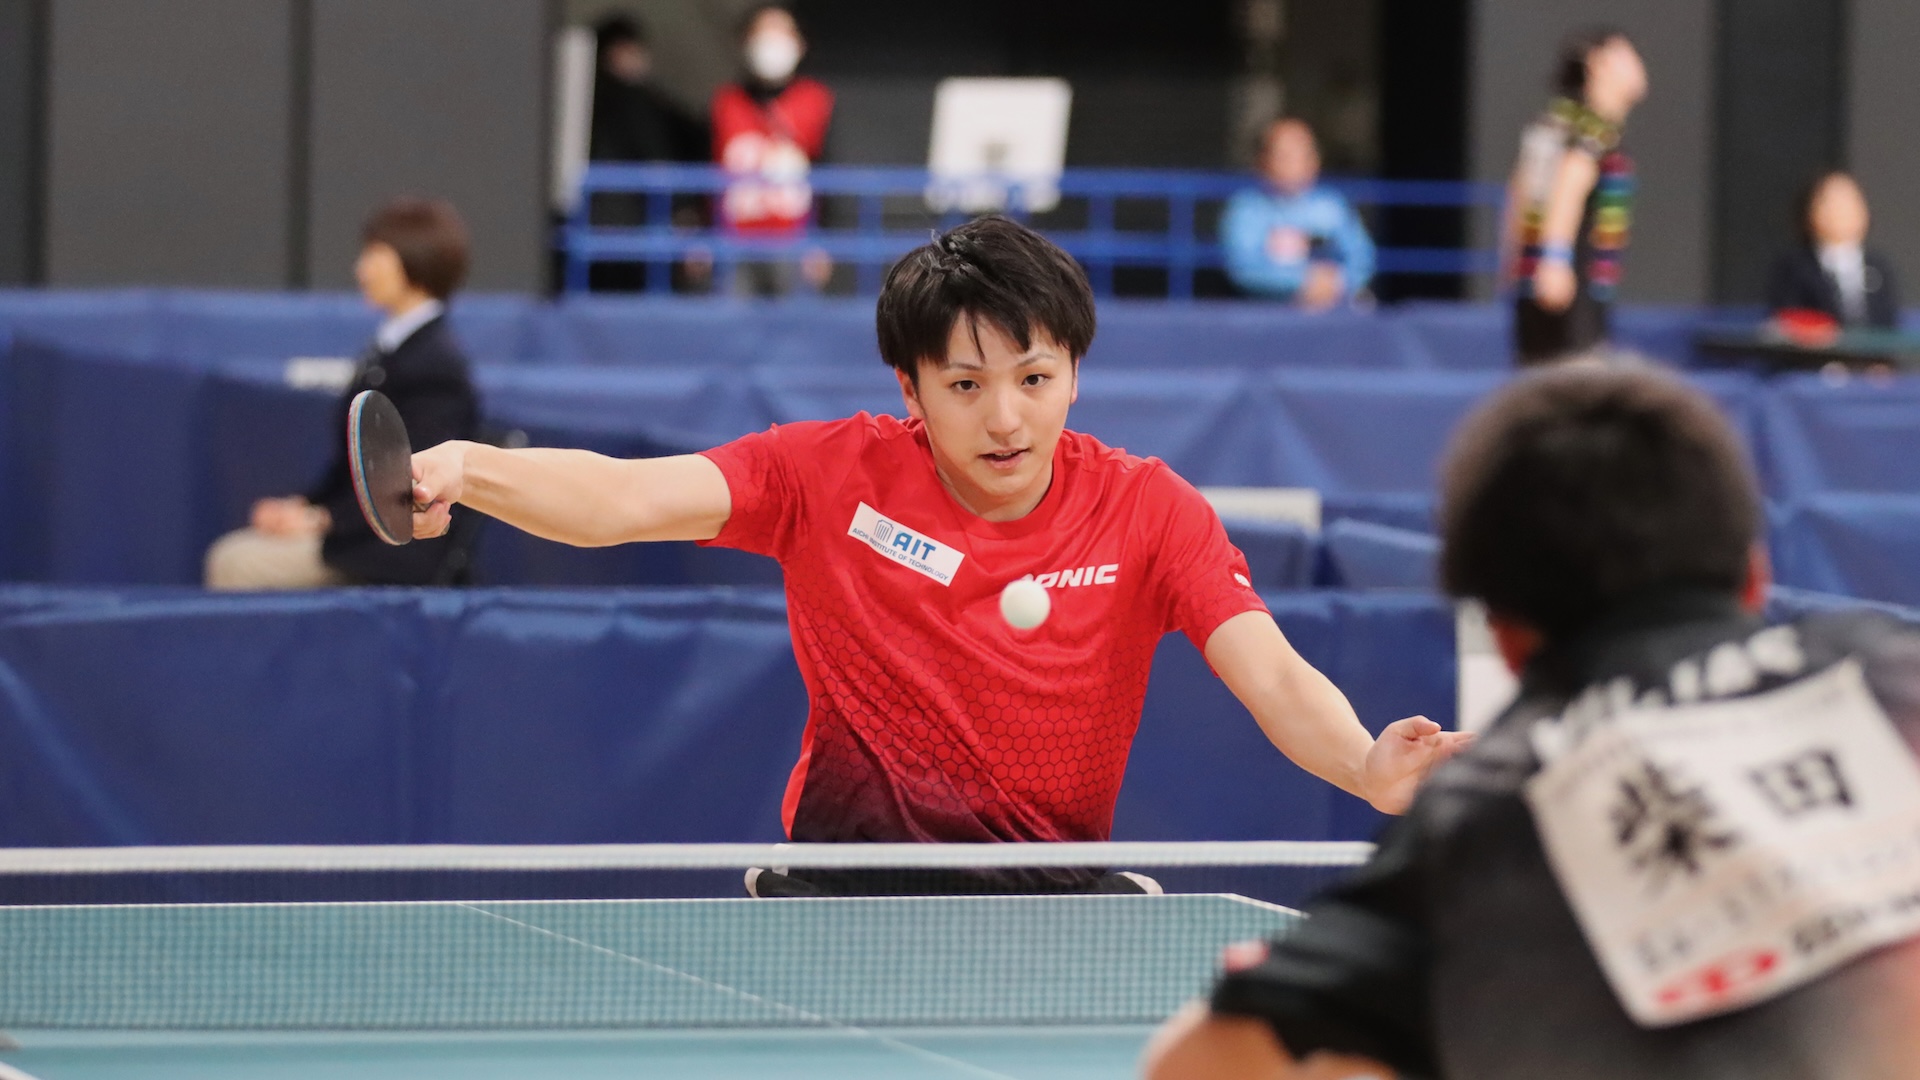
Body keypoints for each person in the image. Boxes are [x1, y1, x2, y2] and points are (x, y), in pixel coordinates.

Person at [402, 215, 1467, 893]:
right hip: (845, 896)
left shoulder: (1148, 511)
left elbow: (1271, 671)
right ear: (909, 389)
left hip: (1051, 906)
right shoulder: (826, 476)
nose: (1005, 418)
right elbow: (624, 499)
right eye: (965, 385)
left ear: (1075, 373)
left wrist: (1362, 764)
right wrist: (468, 466)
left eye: (1034, 379)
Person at [1144, 363, 1920, 1079]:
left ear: (1503, 634)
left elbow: (1197, 1065)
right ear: (1755, 575)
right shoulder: (1893, 677)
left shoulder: (1487, 817)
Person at [204, 198, 480, 590]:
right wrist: (306, 506)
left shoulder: (435, 366)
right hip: (357, 534)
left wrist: (320, 520)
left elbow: (412, 482)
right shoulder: (391, 351)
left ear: (414, 259)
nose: (361, 269)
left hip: (388, 551)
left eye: (374, 255)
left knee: (236, 563)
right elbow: (353, 470)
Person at [1505, 29, 1647, 365]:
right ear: (1597, 63)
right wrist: (1554, 260)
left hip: (1542, 284)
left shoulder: (1554, 124)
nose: (1637, 65)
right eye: (1625, 55)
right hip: (1570, 290)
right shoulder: (1588, 131)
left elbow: (1517, 194)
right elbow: (1568, 186)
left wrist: (1514, 262)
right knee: (1572, 378)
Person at [710, 4, 833, 296]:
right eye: (763, 31)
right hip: (733, 241)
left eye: (781, 31)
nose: (772, 40)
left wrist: (823, 242)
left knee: (795, 322)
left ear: (799, 43)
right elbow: (708, 172)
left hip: (793, 241)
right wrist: (702, 236)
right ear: (745, 42)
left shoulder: (816, 100)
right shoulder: (725, 102)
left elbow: (829, 174)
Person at [586, 13, 711, 294]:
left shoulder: (637, 100)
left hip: (604, 233)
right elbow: (658, 159)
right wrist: (684, 218)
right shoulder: (633, 101)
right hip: (631, 233)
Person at [1221, 119, 1375, 310]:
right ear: (1263, 160)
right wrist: (1303, 281)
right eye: (1284, 156)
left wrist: (1338, 282)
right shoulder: (1246, 208)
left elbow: (1362, 258)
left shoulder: (1331, 206)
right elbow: (1243, 268)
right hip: (1265, 316)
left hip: (1328, 313)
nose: (1294, 163)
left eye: (1302, 154)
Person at [1765, 171, 1901, 331]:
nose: (1840, 211)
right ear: (1809, 210)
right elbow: (1787, 319)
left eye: (1849, 201)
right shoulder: (1793, 267)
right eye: (1830, 202)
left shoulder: (1879, 267)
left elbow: (1888, 324)